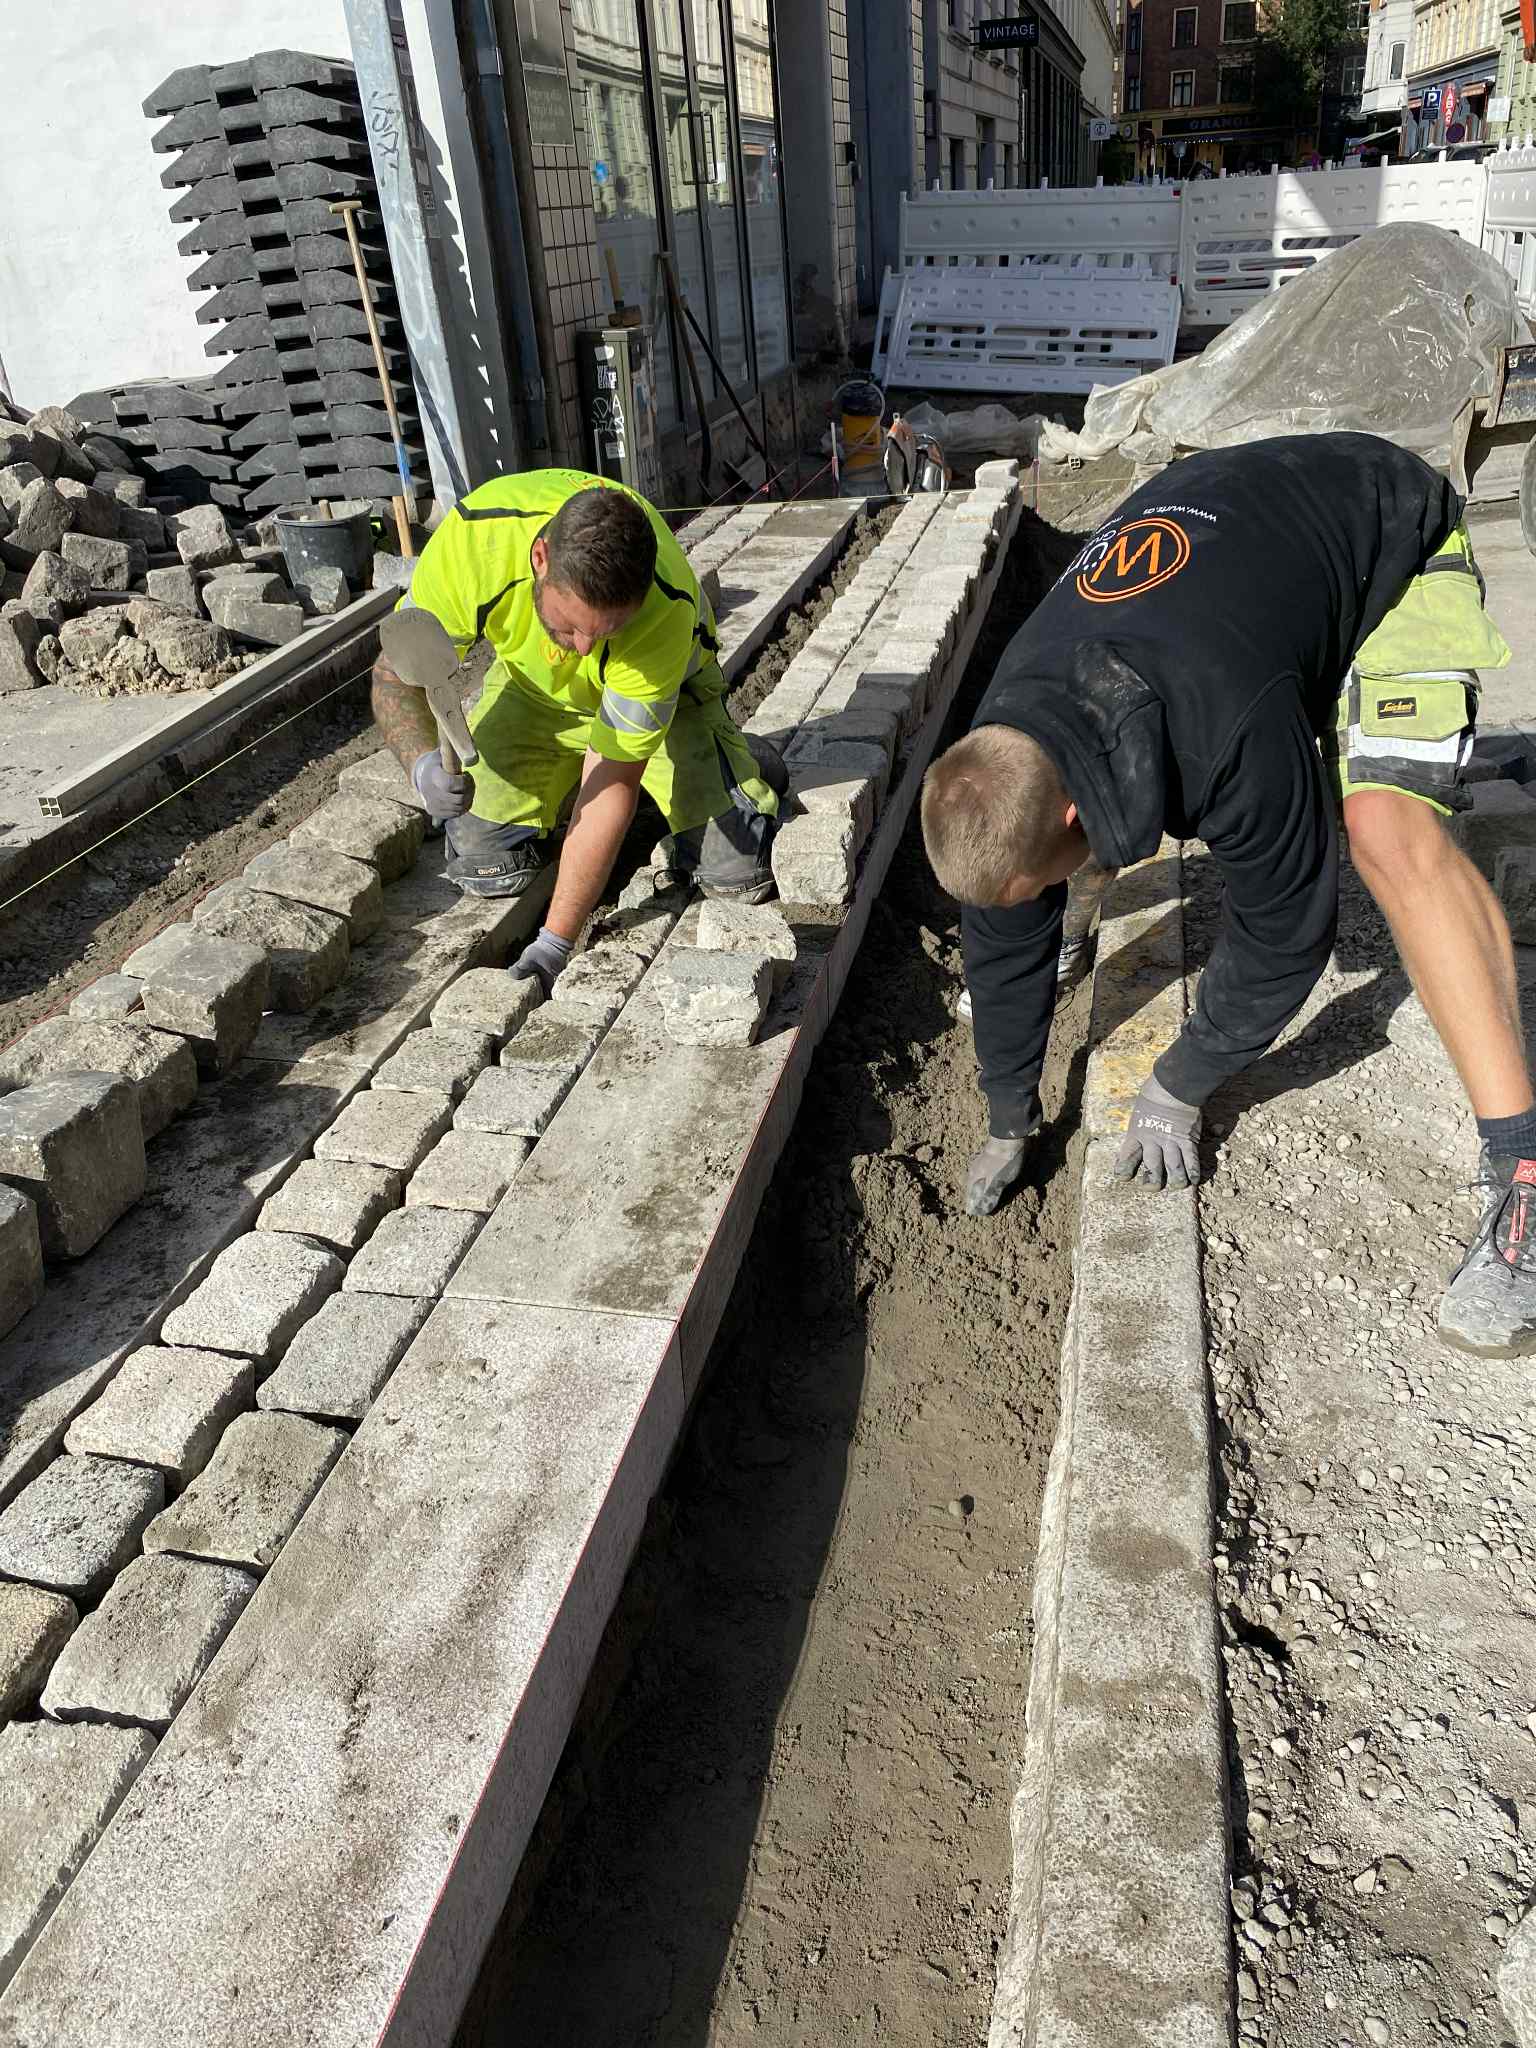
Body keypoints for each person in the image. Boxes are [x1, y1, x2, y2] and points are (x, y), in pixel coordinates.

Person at [920, 431, 1534, 1358]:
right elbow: (1003, 929)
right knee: (1042, 861)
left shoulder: (1224, 730)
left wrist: (1181, 1081)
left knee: (1386, 833)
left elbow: (1286, 930)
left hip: (1385, 531)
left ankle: (1523, 1173)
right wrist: (1009, 1110)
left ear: (1076, 809)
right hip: (1236, 551)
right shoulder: (1002, 749)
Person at [371, 467, 784, 995]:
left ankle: (739, 764)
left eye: (606, 631)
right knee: (483, 861)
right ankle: (576, 791)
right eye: (569, 626)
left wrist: (554, 944)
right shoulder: (474, 543)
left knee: (737, 873)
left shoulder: (664, 606)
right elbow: (394, 673)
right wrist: (422, 763)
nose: (585, 647)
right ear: (540, 559)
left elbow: (612, 783)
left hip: (669, 703)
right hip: (536, 695)